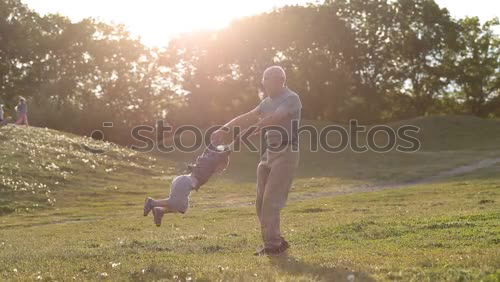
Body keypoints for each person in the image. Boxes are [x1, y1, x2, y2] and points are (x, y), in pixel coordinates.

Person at [211, 65, 302, 256]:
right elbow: (247, 116)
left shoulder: (291, 98)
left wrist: (239, 139)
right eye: (264, 80)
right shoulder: (266, 102)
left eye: (268, 80)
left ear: (280, 80)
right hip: (269, 152)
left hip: (286, 152)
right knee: (260, 202)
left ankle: (273, 245)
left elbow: (274, 119)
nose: (265, 84)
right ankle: (276, 240)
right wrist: (224, 129)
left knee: (271, 200)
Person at [143, 143, 231, 226]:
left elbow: (210, 149)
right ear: (220, 162)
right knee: (174, 203)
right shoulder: (212, 162)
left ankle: (159, 211)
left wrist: (222, 151)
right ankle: (152, 202)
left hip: (181, 180)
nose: (222, 170)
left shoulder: (207, 161)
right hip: (184, 182)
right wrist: (227, 152)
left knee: (182, 208)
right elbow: (219, 156)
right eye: (223, 168)